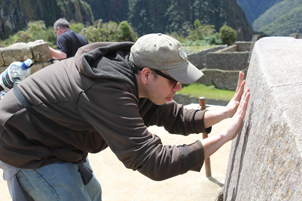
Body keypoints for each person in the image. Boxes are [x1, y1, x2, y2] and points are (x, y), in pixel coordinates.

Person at [0, 33, 250, 201]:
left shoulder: (135, 78)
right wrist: (226, 136)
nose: (179, 88)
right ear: (146, 74)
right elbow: (152, 160)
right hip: (24, 141)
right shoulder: (108, 90)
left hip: (60, 139)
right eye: (174, 80)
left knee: (93, 192)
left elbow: (174, 117)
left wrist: (225, 113)